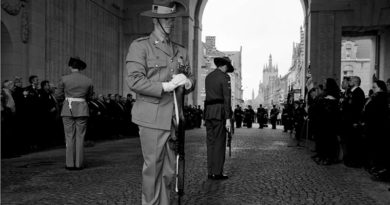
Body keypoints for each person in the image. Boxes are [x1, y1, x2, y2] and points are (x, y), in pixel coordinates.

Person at [125, 0, 195, 204]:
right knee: (153, 169)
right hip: (151, 116)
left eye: (172, 18)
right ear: (155, 19)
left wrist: (188, 81)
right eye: (166, 18)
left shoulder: (180, 51)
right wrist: (165, 86)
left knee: (169, 171)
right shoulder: (141, 46)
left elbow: (189, 76)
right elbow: (134, 80)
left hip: (173, 118)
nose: (171, 23)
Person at [55, 57, 93, 170]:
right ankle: (79, 163)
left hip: (68, 109)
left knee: (69, 136)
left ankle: (70, 164)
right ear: (80, 68)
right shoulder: (88, 80)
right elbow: (90, 96)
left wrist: (66, 100)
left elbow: (58, 95)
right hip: (82, 108)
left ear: (70, 66)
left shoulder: (64, 78)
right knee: (80, 137)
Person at [204, 56, 234, 180]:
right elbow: (227, 98)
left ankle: (210, 171)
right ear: (225, 66)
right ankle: (217, 172)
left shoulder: (208, 77)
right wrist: (228, 118)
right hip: (220, 112)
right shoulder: (225, 77)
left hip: (209, 112)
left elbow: (207, 98)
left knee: (210, 142)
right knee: (219, 143)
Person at [343, 76, 365, 167]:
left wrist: (356, 121)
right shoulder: (351, 92)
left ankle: (355, 161)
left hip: (354, 121)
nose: (349, 81)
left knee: (354, 142)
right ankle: (350, 159)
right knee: (350, 142)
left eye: (351, 80)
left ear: (356, 82)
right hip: (349, 120)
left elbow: (357, 108)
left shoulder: (358, 92)